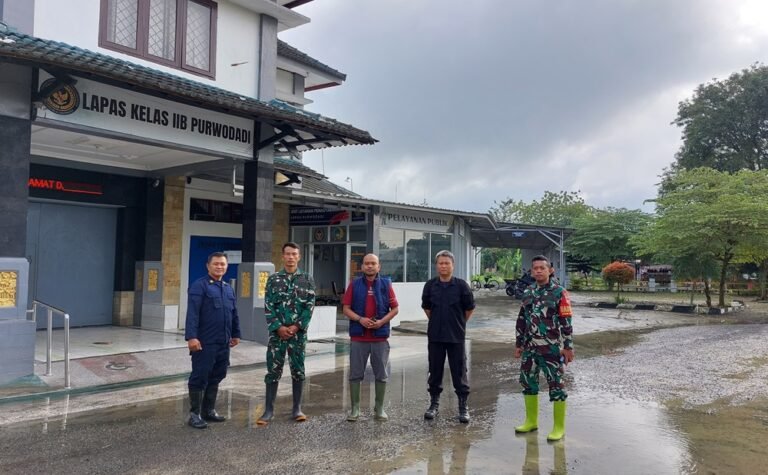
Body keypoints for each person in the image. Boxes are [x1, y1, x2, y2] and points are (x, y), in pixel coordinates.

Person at [514, 255, 574, 441]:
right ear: (531, 272)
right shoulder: (528, 292)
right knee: (527, 382)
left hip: (552, 348)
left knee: (556, 385)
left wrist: (568, 346)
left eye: (542, 268)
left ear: (550, 270)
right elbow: (522, 319)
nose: (538, 271)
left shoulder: (559, 293)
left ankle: (559, 427)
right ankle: (531, 421)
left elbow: (566, 320)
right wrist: (519, 343)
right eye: (535, 268)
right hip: (530, 347)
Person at [257, 242, 315, 425]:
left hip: (297, 335)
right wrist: (278, 327)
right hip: (277, 334)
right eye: (288, 254)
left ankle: (297, 408)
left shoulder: (307, 279)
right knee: (273, 370)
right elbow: (268, 306)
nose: (291, 257)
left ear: (299, 257)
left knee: (298, 370)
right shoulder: (274, 279)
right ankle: (268, 411)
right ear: (283, 256)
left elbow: (309, 306)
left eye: (294, 254)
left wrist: (297, 327)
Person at [184, 252, 241, 429]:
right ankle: (194, 414)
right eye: (216, 264)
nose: (219, 267)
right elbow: (192, 313)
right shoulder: (199, 286)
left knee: (217, 375)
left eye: (222, 264)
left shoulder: (228, 288)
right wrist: (192, 337)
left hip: (223, 342)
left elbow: (233, 313)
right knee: (200, 376)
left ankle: (209, 411)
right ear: (208, 266)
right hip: (204, 342)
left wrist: (236, 333)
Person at [342, 254, 399, 422]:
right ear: (362, 267)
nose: (370, 266)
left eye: (373, 263)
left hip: (379, 338)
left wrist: (381, 322)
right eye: (367, 263)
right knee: (355, 374)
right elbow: (346, 308)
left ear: (378, 267)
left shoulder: (386, 284)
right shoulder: (354, 284)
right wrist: (360, 319)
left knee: (381, 374)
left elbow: (395, 309)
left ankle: (379, 408)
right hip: (359, 338)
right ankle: (355, 408)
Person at [421, 250, 476, 423]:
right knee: (435, 370)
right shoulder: (430, 285)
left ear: (453, 265)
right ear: (436, 265)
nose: (443, 266)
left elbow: (469, 309)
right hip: (435, 335)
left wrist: (457, 323)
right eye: (440, 263)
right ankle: (434, 405)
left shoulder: (461, 286)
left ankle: (463, 407)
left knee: (459, 371)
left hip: (456, 336)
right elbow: (427, 308)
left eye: (447, 263)